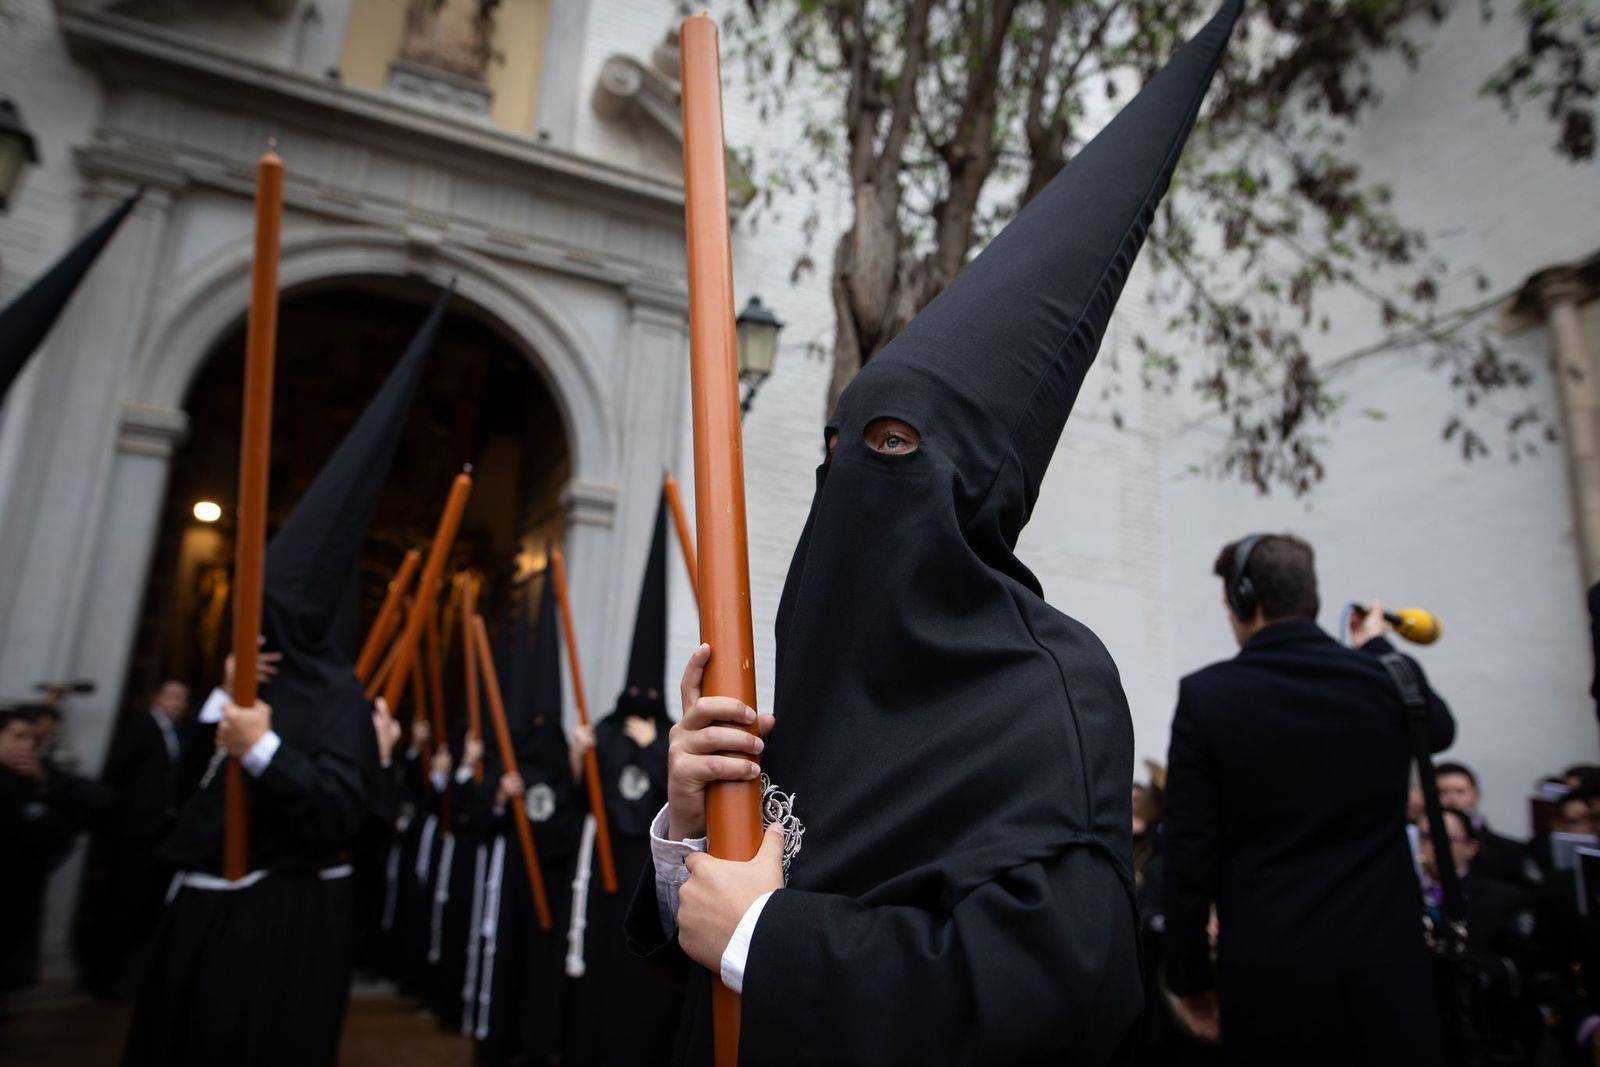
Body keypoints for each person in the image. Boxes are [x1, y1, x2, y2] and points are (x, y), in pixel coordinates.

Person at [626, 5, 1245, 1062]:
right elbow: (696, 939)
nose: (855, 474)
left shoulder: (1052, 686)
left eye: (896, 443)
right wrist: (689, 831)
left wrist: (771, 938)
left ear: (974, 484)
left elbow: (1062, 984)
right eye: (841, 446)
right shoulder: (819, 683)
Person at [122, 285, 449, 1066]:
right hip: (202, 906)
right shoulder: (246, 679)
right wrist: (230, 702)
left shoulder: (336, 696)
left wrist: (265, 748)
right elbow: (188, 786)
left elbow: (341, 807)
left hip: (277, 918)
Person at [1162, 533, 1455, 1066]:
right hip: (1389, 966)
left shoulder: (1208, 696)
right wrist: (1378, 645)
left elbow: (1187, 852)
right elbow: (1438, 729)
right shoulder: (1388, 681)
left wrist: (1189, 978)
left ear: (1247, 602)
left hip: (1271, 974)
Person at [564, 494, 679, 1066]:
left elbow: (675, 796)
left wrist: (654, 749)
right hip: (603, 866)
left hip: (647, 876)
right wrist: (578, 758)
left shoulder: (669, 734)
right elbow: (583, 799)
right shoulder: (604, 729)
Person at [79, 680, 192, 997]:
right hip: (132, 833)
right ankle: (102, 978)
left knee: (142, 906)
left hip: (158, 834)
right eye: (172, 695)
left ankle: (129, 976)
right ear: (156, 697)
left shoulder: (178, 735)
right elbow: (115, 776)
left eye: (183, 698)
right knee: (120, 904)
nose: (178, 703)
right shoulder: (141, 729)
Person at [1434, 761, 1533, 887]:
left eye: (1460, 791)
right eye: (1442, 792)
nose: (1451, 799)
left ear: (1476, 796)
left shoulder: (1509, 852)